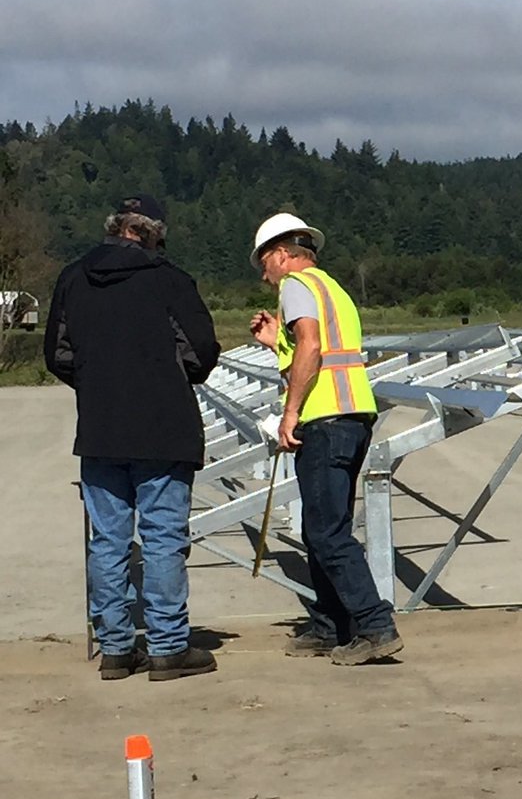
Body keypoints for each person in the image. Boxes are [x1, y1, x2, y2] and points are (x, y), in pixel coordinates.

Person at [45, 194, 221, 681]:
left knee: (108, 540)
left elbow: (57, 353)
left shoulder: (72, 278)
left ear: (114, 227)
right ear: (154, 232)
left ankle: (117, 648)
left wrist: (100, 383)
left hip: (100, 427)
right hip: (164, 427)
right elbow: (202, 352)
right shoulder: (170, 280)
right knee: (163, 538)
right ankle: (167, 647)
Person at [248, 212, 403, 665]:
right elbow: (320, 345)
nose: (265, 274)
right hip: (353, 415)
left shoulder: (294, 287)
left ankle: (374, 626)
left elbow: (312, 347)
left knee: (327, 531)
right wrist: (277, 341)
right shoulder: (331, 288)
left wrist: (289, 413)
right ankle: (329, 625)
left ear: (282, 254)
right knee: (323, 526)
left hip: (324, 418)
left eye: (265, 263)